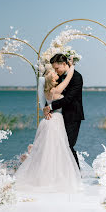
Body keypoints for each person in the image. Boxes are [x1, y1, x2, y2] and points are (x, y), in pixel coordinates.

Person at [14, 59, 81, 193]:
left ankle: (44, 176)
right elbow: (67, 80)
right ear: (51, 79)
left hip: (47, 121)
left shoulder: (46, 91)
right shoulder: (56, 90)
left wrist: (46, 108)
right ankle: (57, 177)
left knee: (46, 150)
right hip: (55, 121)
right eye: (55, 74)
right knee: (58, 149)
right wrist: (71, 67)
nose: (57, 74)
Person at [43, 54, 84, 170]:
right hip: (58, 117)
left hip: (73, 116)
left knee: (69, 145)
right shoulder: (59, 77)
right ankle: (62, 173)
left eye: (57, 68)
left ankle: (76, 172)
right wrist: (47, 108)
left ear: (64, 64)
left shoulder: (77, 77)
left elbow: (68, 99)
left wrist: (50, 107)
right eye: (54, 69)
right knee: (58, 145)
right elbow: (52, 94)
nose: (55, 71)